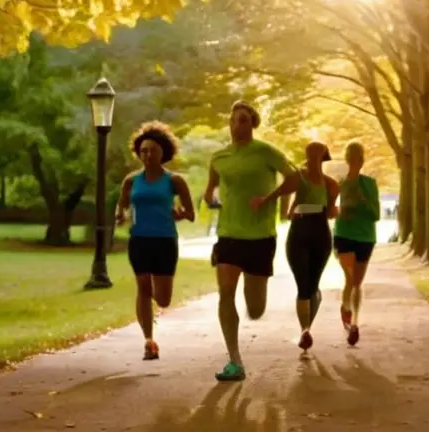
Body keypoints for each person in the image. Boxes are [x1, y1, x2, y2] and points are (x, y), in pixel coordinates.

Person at [203, 100, 299, 381]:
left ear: (253, 123)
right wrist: (212, 200)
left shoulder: (266, 152)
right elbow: (210, 192)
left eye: (243, 120)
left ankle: (254, 306)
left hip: (260, 237)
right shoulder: (219, 157)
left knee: (255, 309)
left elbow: (295, 179)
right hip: (229, 234)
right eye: (233, 120)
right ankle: (235, 360)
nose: (237, 125)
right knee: (225, 292)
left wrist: (269, 199)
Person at [115, 121, 196, 361]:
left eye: (153, 150)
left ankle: (152, 313)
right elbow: (122, 204)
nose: (148, 155)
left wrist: (181, 214)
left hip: (165, 241)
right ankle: (149, 341)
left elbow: (191, 214)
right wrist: (119, 215)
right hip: (139, 239)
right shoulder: (131, 181)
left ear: (163, 152)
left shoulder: (175, 181)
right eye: (144, 151)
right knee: (142, 287)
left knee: (162, 298)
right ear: (139, 153)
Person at [285, 141, 339, 351]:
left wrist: (333, 209)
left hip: (319, 233)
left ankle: (306, 329)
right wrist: (292, 210)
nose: (313, 158)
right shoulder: (299, 178)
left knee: (311, 286)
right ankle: (304, 330)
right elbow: (294, 202)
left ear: (323, 158)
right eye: (311, 154)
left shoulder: (331, 184)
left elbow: (331, 212)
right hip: (299, 233)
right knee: (303, 286)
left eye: (318, 154)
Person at [333, 140, 380, 347]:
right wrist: (342, 210)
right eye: (351, 158)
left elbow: (376, 214)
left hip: (365, 237)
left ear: (362, 161)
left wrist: (362, 201)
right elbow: (332, 210)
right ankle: (353, 323)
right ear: (347, 160)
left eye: (358, 158)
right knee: (351, 276)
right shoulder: (340, 184)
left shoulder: (370, 184)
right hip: (344, 234)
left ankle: (349, 312)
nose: (355, 162)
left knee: (356, 282)